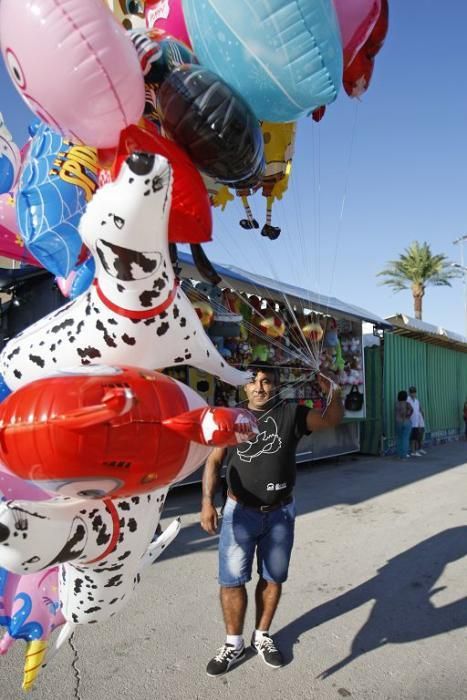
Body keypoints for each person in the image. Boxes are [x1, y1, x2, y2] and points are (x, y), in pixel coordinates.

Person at [200, 364, 344, 677]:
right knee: (231, 580)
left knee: (273, 577)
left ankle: (262, 636)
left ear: (276, 385)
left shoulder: (292, 413)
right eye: (253, 382)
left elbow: (332, 419)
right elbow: (213, 461)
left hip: (279, 513)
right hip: (239, 513)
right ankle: (233, 643)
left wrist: (332, 391)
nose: (260, 388)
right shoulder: (232, 417)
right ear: (244, 387)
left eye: (266, 382)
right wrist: (207, 503)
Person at [407, 386, 426, 456]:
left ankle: (417, 450)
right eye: (411, 392)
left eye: (414, 392)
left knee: (416, 437)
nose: (413, 394)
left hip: (416, 422)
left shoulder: (417, 401)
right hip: (410, 422)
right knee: (412, 438)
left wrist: (422, 418)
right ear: (409, 393)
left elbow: (420, 409)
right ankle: (413, 451)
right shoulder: (407, 400)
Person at [395, 390, 413, 459]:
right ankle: (404, 456)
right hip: (406, 422)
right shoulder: (407, 403)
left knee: (399, 438)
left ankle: (399, 455)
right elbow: (412, 410)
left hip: (398, 422)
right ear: (405, 397)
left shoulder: (396, 404)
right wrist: (408, 416)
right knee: (405, 438)